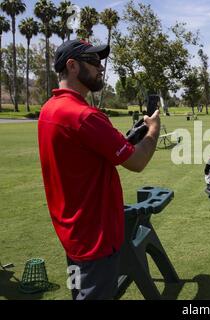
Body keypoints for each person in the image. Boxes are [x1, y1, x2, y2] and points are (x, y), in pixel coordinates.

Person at [37, 40, 161, 299]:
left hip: (72, 235)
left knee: (78, 292)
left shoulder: (49, 109)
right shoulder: (84, 116)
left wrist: (126, 140)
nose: (100, 68)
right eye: (93, 62)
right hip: (96, 239)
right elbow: (137, 162)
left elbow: (88, 155)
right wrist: (153, 130)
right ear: (72, 66)